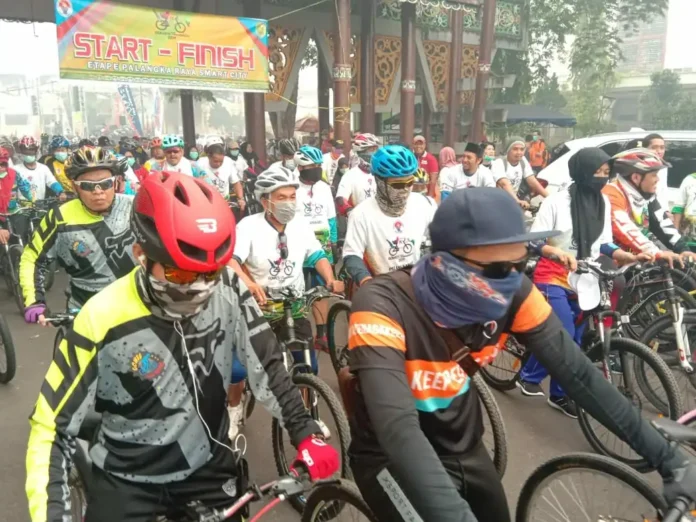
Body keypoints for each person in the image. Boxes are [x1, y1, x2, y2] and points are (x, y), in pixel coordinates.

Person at [344, 186, 696, 522]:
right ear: (444, 261)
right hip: (389, 455)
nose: (512, 280)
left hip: (461, 442)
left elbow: (580, 376)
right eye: (497, 270)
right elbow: (398, 429)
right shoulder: (381, 306)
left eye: (521, 263)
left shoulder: (514, 292)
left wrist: (670, 459)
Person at [26, 171, 339, 522]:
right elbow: (51, 427)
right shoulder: (101, 315)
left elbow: (266, 362)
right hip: (128, 484)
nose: (201, 287)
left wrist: (305, 432)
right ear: (140, 254)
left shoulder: (231, 287)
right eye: (180, 275)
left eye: (211, 272)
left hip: (209, 474)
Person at [517, 148, 650, 416]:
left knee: (576, 340)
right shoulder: (556, 201)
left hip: (586, 277)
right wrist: (557, 252)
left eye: (605, 173)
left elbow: (604, 244)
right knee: (562, 333)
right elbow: (534, 240)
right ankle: (528, 375)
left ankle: (560, 394)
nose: (601, 178)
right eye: (597, 173)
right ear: (582, 171)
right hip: (552, 275)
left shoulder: (603, 203)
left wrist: (624, 254)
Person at [228, 165, 343, 437]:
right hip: (260, 308)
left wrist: (330, 279)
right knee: (237, 368)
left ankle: (306, 416)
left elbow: (316, 257)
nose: (290, 203)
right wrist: (250, 283)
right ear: (265, 200)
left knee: (307, 365)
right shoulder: (248, 226)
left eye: (293, 196)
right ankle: (234, 408)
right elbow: (232, 261)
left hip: (294, 305)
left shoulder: (301, 226)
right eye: (282, 197)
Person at [20, 147, 136, 318]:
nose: (98, 191)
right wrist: (34, 301)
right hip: (86, 308)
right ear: (75, 187)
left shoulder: (136, 207)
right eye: (88, 186)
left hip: (136, 302)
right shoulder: (60, 217)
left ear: (116, 182)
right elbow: (32, 258)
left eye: (105, 183)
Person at [342, 144, 437, 289]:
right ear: (379, 182)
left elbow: (441, 240)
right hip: (382, 287)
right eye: (398, 185)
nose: (405, 190)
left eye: (409, 183)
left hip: (418, 282)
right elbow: (352, 255)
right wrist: (366, 281)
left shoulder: (425, 204)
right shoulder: (361, 214)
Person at [602, 148, 693, 265]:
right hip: (611, 262)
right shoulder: (612, 193)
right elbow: (625, 228)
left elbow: (662, 224)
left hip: (637, 259)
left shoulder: (645, 195)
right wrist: (656, 252)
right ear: (636, 178)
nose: (658, 179)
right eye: (654, 175)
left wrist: (683, 249)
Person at [491, 136, 548, 208]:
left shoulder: (522, 161)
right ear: (508, 150)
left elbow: (532, 180)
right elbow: (504, 184)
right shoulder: (499, 162)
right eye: (515, 149)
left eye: (522, 149)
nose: (519, 152)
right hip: (498, 202)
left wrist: (549, 197)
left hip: (512, 200)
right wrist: (517, 200)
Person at [335, 133, 380, 216]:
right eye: (372, 149)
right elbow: (340, 198)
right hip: (360, 221)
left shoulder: (382, 173)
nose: (375, 153)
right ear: (361, 152)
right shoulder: (350, 175)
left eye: (376, 149)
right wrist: (350, 212)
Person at [14, 136, 66, 204]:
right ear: (21, 152)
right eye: (25, 151)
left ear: (36, 151)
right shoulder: (15, 169)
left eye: (31, 150)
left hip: (40, 207)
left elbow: (52, 182)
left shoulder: (43, 168)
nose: (28, 153)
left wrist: (60, 192)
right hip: (21, 209)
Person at [196, 144, 245, 212]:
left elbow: (236, 182)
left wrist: (240, 199)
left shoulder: (228, 162)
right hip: (205, 203)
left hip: (224, 202)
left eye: (221, 161)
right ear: (209, 157)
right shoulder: (200, 163)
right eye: (216, 161)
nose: (219, 164)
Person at [0, 147, 33, 245]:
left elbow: (25, 188)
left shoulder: (14, 174)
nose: (1, 167)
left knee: (20, 238)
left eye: (3, 164)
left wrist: (32, 200)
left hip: (13, 213)